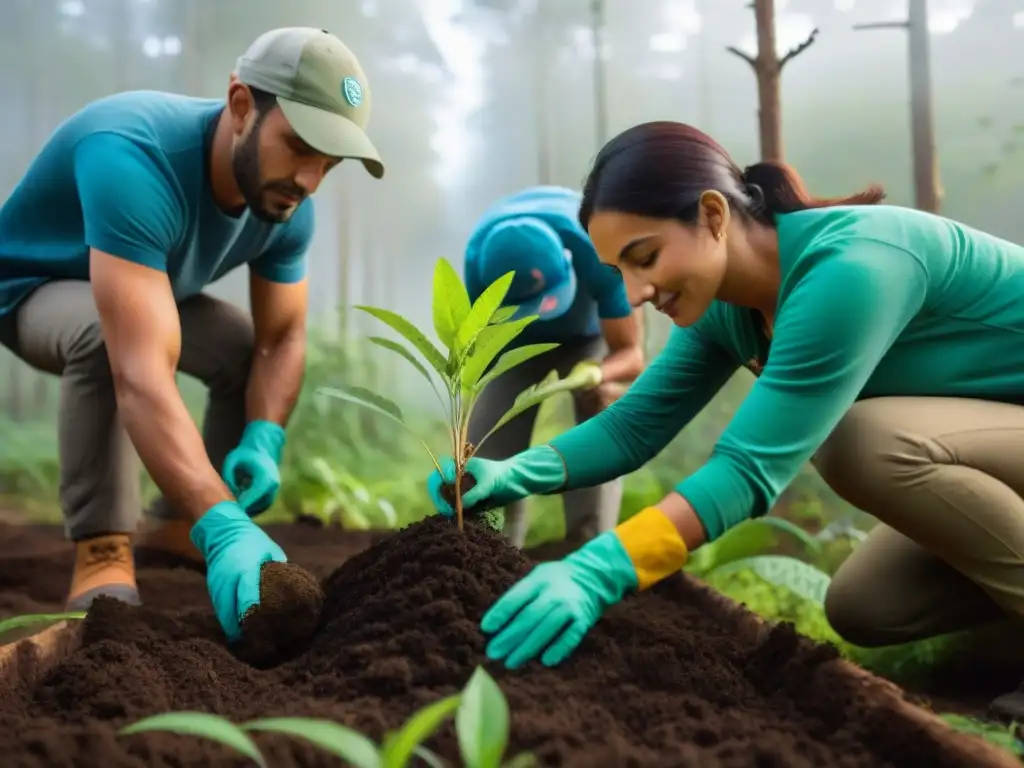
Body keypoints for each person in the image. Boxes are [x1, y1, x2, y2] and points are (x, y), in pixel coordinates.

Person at [426, 120, 1024, 715]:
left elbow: (747, 469)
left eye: (645, 257)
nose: (634, 293)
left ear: (713, 215)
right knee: (869, 606)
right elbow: (632, 427)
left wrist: (604, 567)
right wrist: (514, 473)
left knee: (860, 442)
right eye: (618, 273)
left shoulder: (850, 268)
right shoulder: (726, 308)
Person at [0, 27, 383, 643]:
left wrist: (264, 436)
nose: (310, 179)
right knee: (107, 337)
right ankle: (103, 548)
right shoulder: (130, 153)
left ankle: (179, 524)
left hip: (148, 290)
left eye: (329, 163)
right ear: (240, 107)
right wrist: (226, 522)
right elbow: (140, 372)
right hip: (32, 290)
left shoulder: (287, 202)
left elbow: (280, 338)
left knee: (237, 347)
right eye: (298, 146)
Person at [461, 186, 646, 547]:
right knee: (486, 435)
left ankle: (586, 544)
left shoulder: (599, 250)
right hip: (516, 342)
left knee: (599, 412)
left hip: (589, 336)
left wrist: (596, 375)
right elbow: (480, 354)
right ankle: (488, 548)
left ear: (567, 261)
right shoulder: (479, 264)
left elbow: (631, 355)